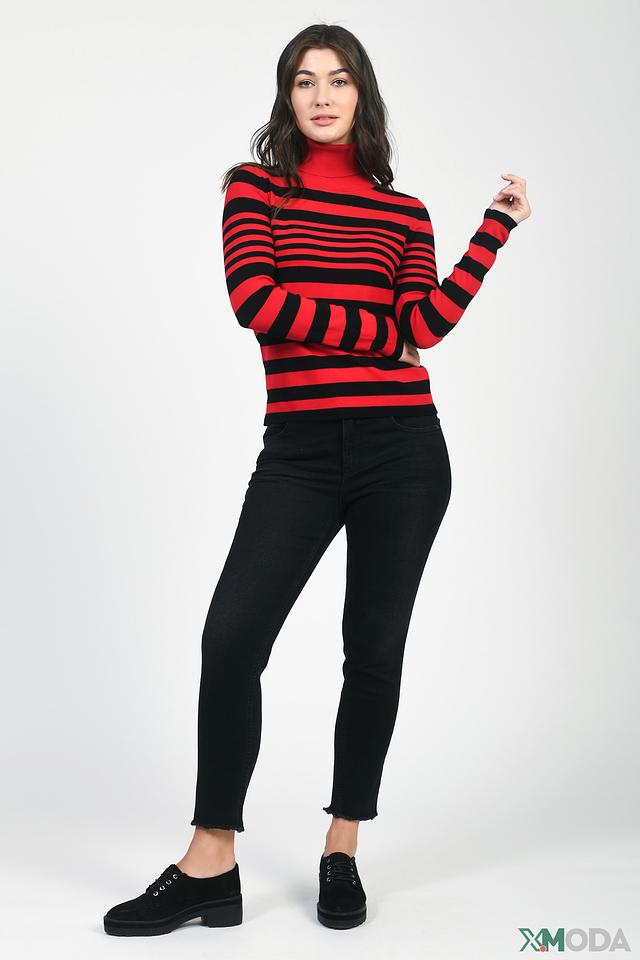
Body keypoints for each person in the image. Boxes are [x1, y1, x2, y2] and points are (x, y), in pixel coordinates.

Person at [103, 22, 530, 937]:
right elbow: (255, 302)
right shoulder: (255, 189)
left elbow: (430, 322)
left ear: (361, 94)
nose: (323, 95)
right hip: (297, 450)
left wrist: (494, 228)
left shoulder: (404, 213)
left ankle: (343, 847)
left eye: (339, 80)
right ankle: (211, 861)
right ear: (286, 96)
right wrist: (381, 335)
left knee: (372, 651)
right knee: (232, 638)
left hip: (404, 452)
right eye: (305, 81)